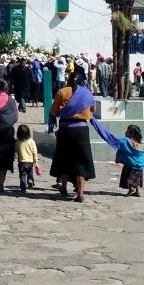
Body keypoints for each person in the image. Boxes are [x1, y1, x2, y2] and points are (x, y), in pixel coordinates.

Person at [48, 71, 96, 202]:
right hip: (82, 130)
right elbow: (93, 110)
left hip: (66, 130)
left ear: (69, 80)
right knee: (81, 161)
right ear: (82, 81)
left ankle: (63, 188)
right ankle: (80, 193)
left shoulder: (62, 92)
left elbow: (52, 111)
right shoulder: (87, 93)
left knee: (64, 159)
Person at [93, 122, 144, 197]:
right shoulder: (140, 144)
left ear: (131, 133)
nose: (125, 132)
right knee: (136, 179)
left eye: (127, 131)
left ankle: (131, 190)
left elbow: (114, 141)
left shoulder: (125, 141)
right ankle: (138, 191)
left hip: (130, 164)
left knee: (128, 177)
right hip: (140, 165)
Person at [15, 123, 39, 193]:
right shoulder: (31, 141)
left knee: (22, 174)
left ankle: (23, 187)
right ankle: (30, 180)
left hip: (22, 161)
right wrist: (35, 161)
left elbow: (14, 148)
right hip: (30, 161)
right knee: (30, 172)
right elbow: (34, 151)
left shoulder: (17, 141)